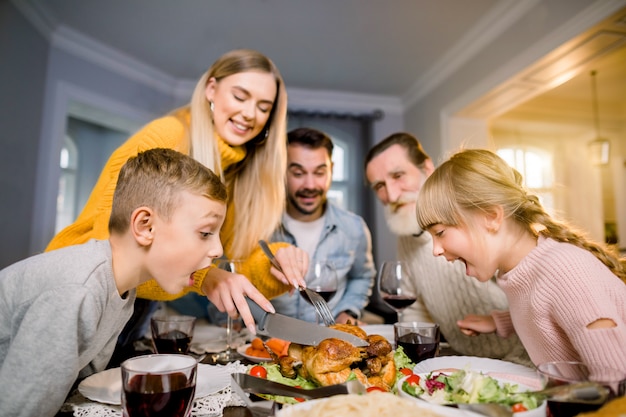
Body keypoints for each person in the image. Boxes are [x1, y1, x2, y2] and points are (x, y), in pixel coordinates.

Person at [45, 49, 309, 343]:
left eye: (263, 107)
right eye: (240, 96)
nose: (250, 114)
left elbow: (225, 262)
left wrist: (276, 263)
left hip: (134, 307)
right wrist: (203, 277)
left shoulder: (240, 171)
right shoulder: (167, 136)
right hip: (77, 292)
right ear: (211, 89)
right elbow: (115, 248)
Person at [0, 148, 228, 417]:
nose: (218, 250)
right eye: (205, 233)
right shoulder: (77, 291)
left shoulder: (120, 284)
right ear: (145, 226)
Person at [415, 148, 626, 371]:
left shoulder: (565, 271)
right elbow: (548, 310)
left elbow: (617, 383)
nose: (435, 250)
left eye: (439, 233)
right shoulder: (523, 270)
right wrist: (500, 322)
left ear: (491, 217)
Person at [364, 132, 531, 366]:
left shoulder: (472, 218)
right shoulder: (406, 236)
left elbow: (538, 303)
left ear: (427, 168)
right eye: (380, 186)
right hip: (464, 362)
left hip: (519, 362)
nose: (391, 195)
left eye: (398, 175)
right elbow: (415, 310)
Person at [269, 127, 376, 324]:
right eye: (298, 173)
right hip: (266, 342)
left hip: (329, 341)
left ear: (332, 170)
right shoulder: (258, 227)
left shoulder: (354, 228)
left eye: (319, 172)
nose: (310, 185)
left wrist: (349, 311)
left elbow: (361, 277)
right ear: (282, 170)